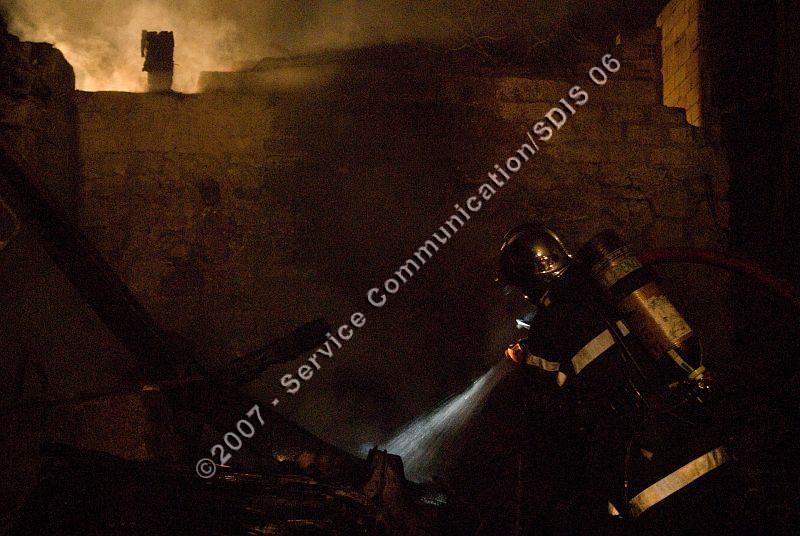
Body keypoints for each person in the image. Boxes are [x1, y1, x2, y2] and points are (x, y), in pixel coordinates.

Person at [498, 223, 743, 535]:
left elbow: (544, 418)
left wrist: (525, 363)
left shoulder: (547, 330)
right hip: (704, 445)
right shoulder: (611, 287)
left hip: (652, 480)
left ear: (531, 275)